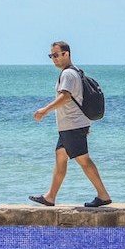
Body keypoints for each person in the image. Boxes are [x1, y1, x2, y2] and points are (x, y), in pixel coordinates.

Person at [29, 41, 112, 208]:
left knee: (84, 160)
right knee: (61, 157)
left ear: (66, 54)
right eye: (51, 56)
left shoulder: (68, 74)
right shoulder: (75, 72)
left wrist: (45, 110)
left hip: (72, 126)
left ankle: (103, 196)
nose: (53, 58)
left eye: (56, 55)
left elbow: (66, 97)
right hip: (71, 126)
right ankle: (50, 197)